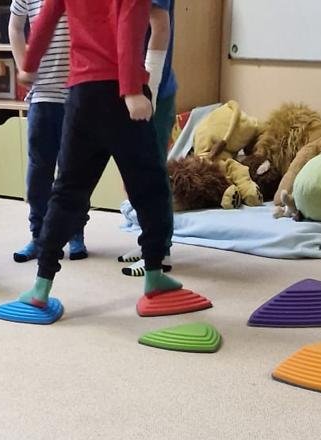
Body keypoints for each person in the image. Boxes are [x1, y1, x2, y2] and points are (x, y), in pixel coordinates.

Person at [12, 0, 194, 318]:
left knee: (67, 191)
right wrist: (131, 90)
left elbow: (44, 19)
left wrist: (29, 64)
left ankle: (41, 286)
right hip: (120, 93)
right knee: (150, 187)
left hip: (81, 96)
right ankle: (154, 274)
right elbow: (129, 26)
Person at [8, 0, 86, 264]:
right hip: (42, 95)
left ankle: (74, 232)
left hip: (76, 94)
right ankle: (39, 234)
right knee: (39, 172)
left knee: (73, 171)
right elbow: (15, 27)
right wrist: (24, 65)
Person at [118, 0, 174, 278]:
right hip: (131, 88)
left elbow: (160, 24)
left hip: (149, 91)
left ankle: (158, 252)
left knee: (152, 174)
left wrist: (148, 90)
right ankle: (148, 243)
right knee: (136, 175)